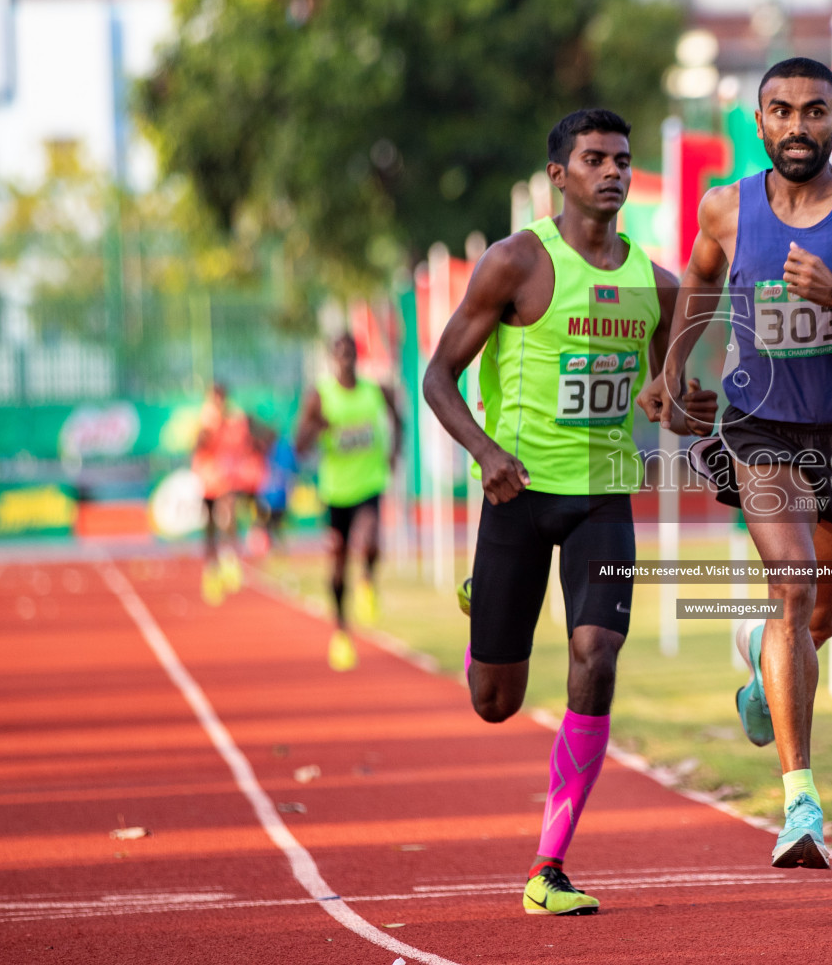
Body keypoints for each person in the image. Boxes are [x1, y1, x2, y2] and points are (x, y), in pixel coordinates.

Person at [639, 58, 832, 870]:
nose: (797, 126)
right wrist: (674, 371)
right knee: (794, 585)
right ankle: (800, 802)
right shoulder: (725, 207)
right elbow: (700, 280)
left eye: (814, 112)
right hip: (759, 426)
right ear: (761, 122)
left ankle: (754, 657)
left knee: (820, 619)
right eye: (781, 111)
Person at [422, 108, 716, 916]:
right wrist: (486, 455)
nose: (613, 172)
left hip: (602, 499)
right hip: (517, 498)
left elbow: (673, 400)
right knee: (496, 703)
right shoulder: (514, 265)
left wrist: (687, 405)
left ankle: (549, 865)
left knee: (597, 655)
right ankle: (486, 599)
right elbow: (438, 377)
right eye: (595, 159)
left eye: (622, 160)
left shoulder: (659, 287)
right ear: (560, 174)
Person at [294, 334, 403, 672]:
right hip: (335, 491)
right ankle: (341, 631)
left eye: (350, 354)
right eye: (339, 355)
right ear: (332, 358)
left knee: (369, 540)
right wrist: (316, 426)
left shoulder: (375, 391)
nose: (345, 361)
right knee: (338, 560)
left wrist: (394, 452)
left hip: (369, 483)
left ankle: (368, 578)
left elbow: (399, 420)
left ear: (357, 356)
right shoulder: (320, 396)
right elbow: (299, 445)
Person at [190, 382, 254, 605]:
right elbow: (197, 445)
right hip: (206, 479)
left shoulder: (234, 421)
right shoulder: (206, 419)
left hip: (225, 479)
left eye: (220, 398)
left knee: (228, 514)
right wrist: (208, 429)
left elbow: (243, 445)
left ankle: (230, 559)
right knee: (209, 527)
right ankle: (211, 570)